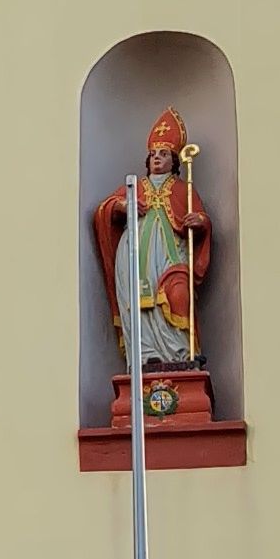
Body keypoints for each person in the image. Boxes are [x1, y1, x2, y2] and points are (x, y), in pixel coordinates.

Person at [93, 108, 212, 368]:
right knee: (139, 302)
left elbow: (201, 218)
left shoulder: (183, 189)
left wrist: (199, 222)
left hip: (171, 254)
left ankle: (180, 353)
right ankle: (145, 354)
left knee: (178, 292)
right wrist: (122, 206)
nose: (157, 158)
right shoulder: (135, 185)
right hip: (136, 254)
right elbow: (104, 209)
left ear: (174, 160)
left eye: (164, 154)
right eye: (153, 154)